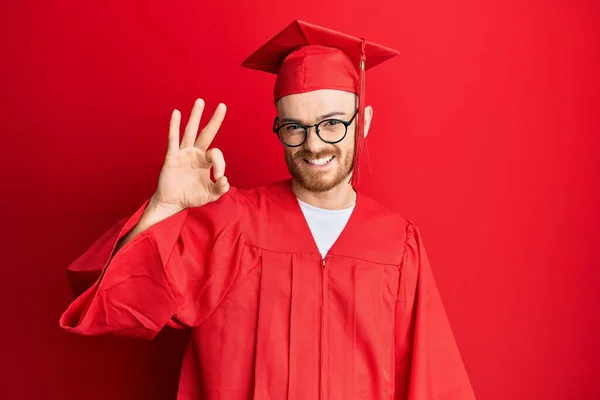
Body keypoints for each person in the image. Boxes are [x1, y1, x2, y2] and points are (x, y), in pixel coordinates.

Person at [59, 20, 476, 400]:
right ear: (279, 127)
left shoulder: (398, 245)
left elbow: (433, 383)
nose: (313, 145)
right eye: (294, 127)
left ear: (362, 121)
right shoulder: (232, 223)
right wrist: (162, 207)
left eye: (333, 123)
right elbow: (112, 305)